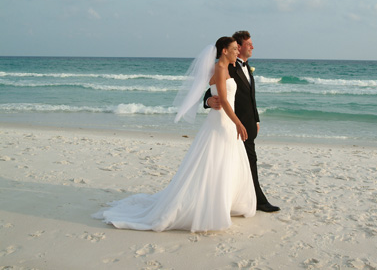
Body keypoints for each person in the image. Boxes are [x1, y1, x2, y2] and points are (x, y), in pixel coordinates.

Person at [92, 37, 256, 232]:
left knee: (225, 163)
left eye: (239, 49)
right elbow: (224, 101)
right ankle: (210, 206)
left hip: (225, 123)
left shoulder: (224, 68)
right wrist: (235, 120)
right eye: (234, 49)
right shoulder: (219, 69)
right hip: (222, 122)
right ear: (224, 51)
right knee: (214, 163)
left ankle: (223, 203)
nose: (237, 52)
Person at [204, 31, 280, 213]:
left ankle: (242, 200)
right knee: (247, 162)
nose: (252, 47)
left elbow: (251, 98)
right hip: (233, 124)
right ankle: (259, 201)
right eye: (248, 44)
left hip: (248, 124)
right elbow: (212, 88)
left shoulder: (247, 67)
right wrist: (208, 101)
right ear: (238, 47)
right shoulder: (227, 66)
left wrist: (257, 120)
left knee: (241, 163)